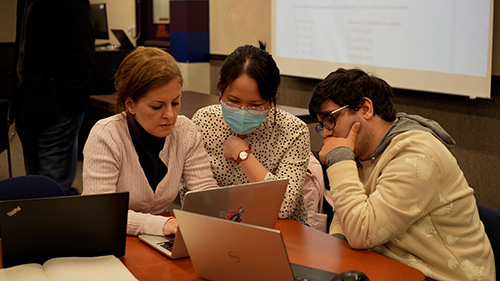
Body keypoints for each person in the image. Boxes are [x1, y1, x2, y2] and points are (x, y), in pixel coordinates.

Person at [308, 68, 495, 280]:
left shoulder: (417, 155)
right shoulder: (365, 152)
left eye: (330, 119)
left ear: (365, 108)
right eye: (321, 125)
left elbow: (361, 231)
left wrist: (340, 159)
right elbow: (347, 214)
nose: (326, 133)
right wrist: (338, 253)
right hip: (390, 267)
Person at [82, 47, 219, 236]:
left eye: (176, 102)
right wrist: (160, 225)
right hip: (112, 239)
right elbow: (100, 212)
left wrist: (218, 210)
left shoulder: (185, 131)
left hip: (156, 238)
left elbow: (204, 191)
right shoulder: (106, 135)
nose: (170, 115)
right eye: (157, 106)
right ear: (130, 104)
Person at [192, 42, 310, 224]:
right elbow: (191, 195)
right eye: (233, 101)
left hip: (280, 229)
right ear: (220, 88)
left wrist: (243, 155)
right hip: (217, 225)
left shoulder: (293, 131)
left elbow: (284, 205)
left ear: (273, 97)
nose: (243, 111)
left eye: (255, 105)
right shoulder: (204, 121)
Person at [10, 0, 95, 195]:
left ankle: (56, 225)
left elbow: (82, 56)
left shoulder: (71, 4)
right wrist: (16, 106)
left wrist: (63, 104)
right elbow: (21, 55)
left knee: (52, 190)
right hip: (28, 108)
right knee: (35, 186)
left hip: (57, 111)